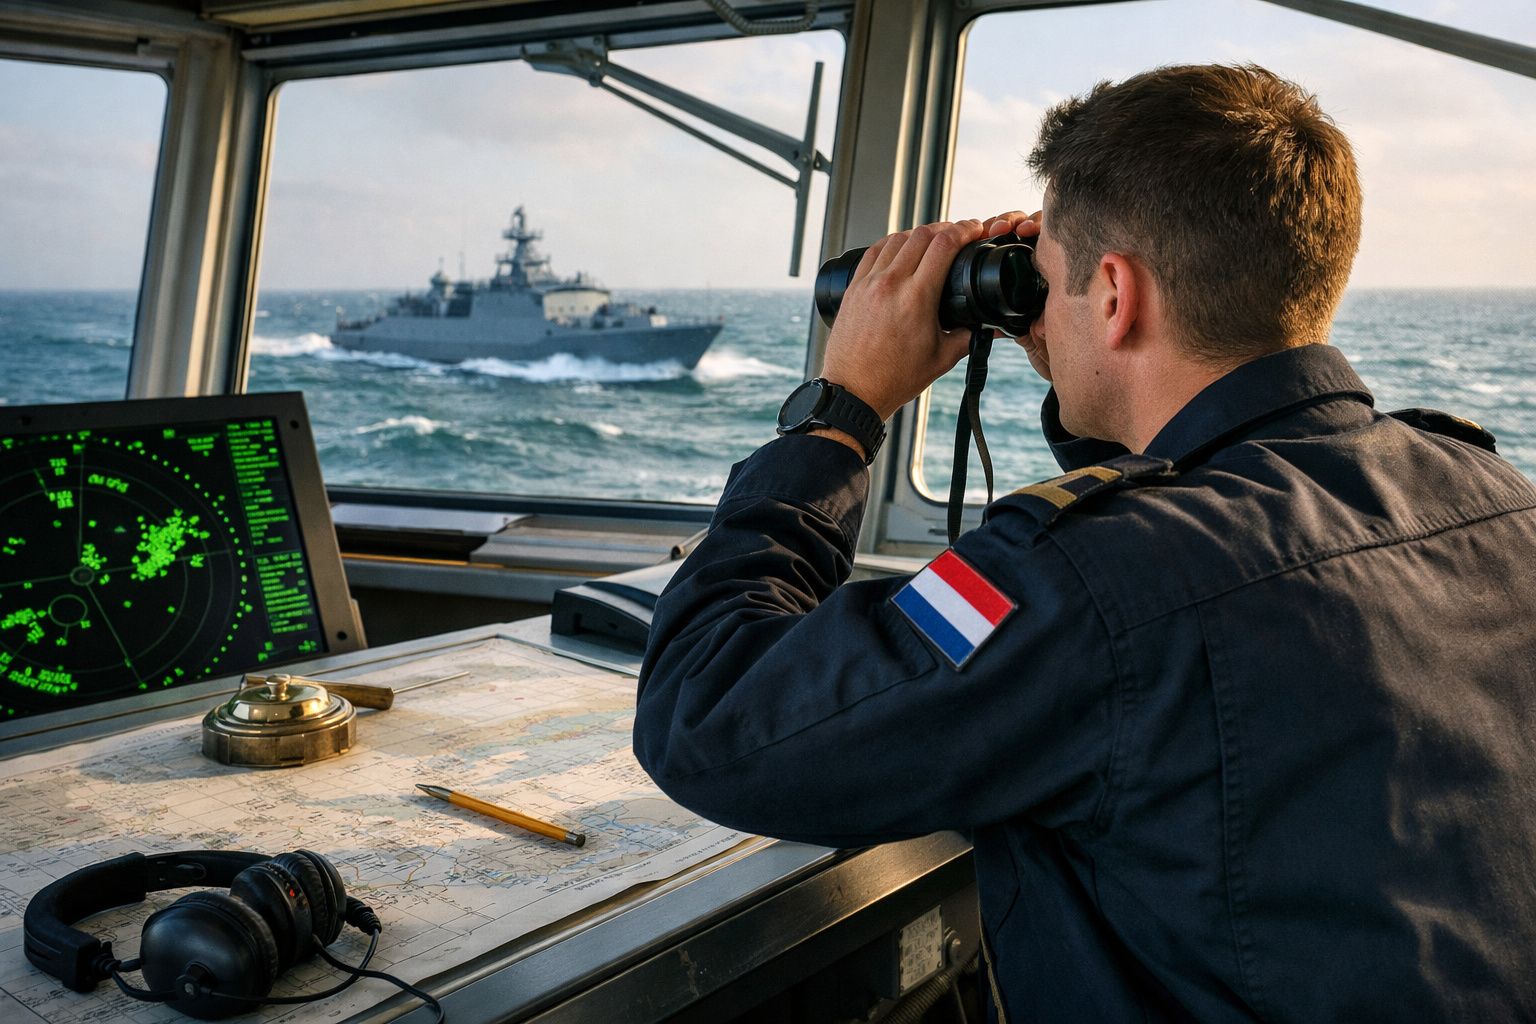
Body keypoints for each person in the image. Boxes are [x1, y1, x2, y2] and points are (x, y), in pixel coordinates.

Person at [634, 63, 1536, 1021]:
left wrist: (839, 414)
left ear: (1114, 293)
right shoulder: (1496, 497)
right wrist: (1075, 356)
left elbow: (710, 716)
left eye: (1053, 280)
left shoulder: (1084, 585)